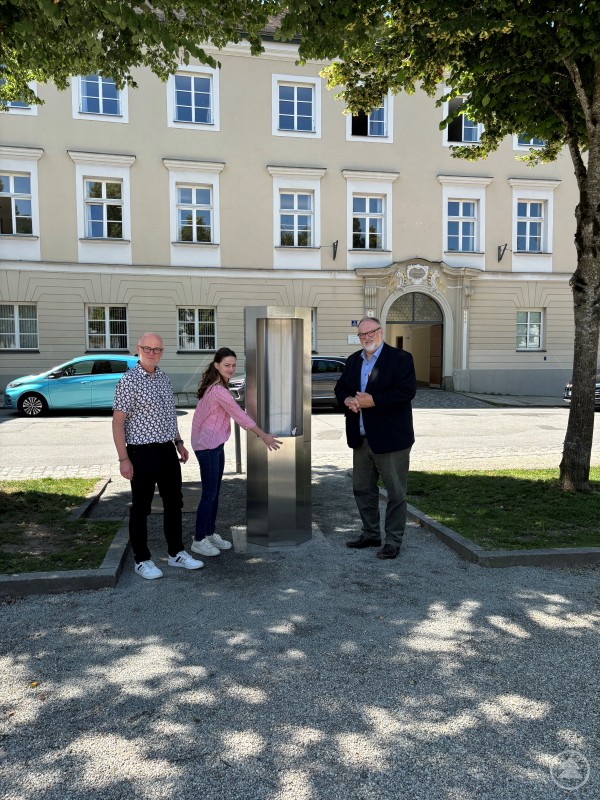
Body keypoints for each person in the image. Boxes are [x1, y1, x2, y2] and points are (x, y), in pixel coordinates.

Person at [112, 332, 204, 579]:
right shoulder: (128, 381)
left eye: (157, 349)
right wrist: (123, 459)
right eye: (147, 348)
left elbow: (169, 416)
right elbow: (118, 423)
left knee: (174, 503)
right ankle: (141, 560)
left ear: (162, 352)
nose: (152, 353)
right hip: (140, 452)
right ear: (138, 349)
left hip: (166, 450)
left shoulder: (163, 378)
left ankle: (176, 553)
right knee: (141, 507)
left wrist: (179, 443)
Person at [335, 317, 416, 560]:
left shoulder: (401, 359)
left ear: (381, 331)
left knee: (395, 492)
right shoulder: (353, 360)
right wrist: (348, 399)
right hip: (361, 438)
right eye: (362, 334)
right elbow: (340, 389)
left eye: (371, 332)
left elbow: (406, 391)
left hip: (391, 440)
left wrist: (375, 401)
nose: (366, 337)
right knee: (361, 489)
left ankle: (393, 541)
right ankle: (371, 533)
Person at [191, 347, 281, 557]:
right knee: (209, 495)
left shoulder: (217, 385)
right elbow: (241, 416)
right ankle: (198, 539)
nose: (231, 369)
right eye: (226, 365)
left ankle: (209, 533)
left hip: (213, 445)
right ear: (216, 366)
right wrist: (264, 436)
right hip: (208, 447)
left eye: (233, 365)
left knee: (214, 493)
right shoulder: (218, 391)